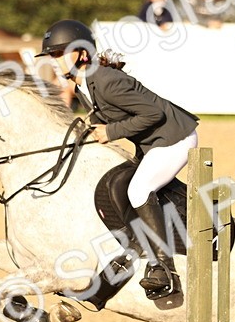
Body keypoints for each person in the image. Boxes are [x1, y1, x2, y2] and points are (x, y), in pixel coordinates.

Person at [38, 19, 199, 300]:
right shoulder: (83, 86)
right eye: (51, 55)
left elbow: (153, 115)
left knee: (139, 189)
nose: (53, 61)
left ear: (82, 53)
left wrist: (110, 131)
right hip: (153, 143)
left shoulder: (106, 81)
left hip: (175, 139)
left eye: (58, 53)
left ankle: (163, 268)